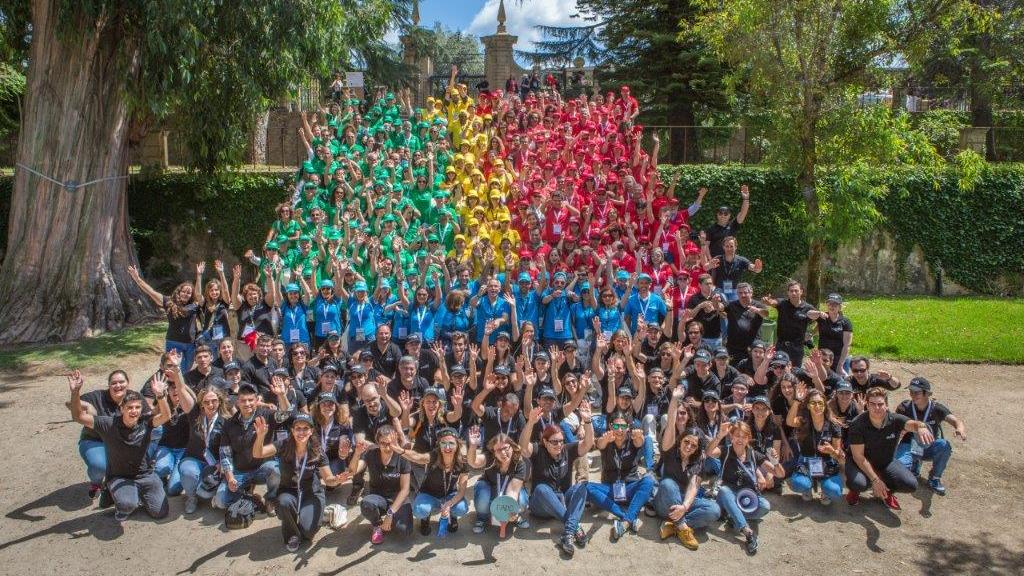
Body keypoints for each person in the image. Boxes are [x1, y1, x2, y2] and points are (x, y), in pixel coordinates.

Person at [67, 369, 173, 522]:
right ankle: (115, 493)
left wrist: (161, 395)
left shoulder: (146, 422)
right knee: (127, 505)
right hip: (120, 476)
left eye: (137, 407)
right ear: (121, 409)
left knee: (160, 512)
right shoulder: (108, 424)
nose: (134, 411)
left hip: (145, 474)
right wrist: (75, 392)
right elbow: (78, 416)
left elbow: (166, 416)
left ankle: (137, 492)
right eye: (129, 407)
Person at [253, 413, 350, 551]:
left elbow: (328, 479)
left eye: (305, 428)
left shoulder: (317, 451)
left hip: (311, 491)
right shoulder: (283, 444)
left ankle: (320, 514)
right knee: (283, 503)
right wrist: (260, 436)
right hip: (289, 491)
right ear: (292, 431)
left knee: (308, 533)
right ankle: (292, 534)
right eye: (298, 428)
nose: (301, 432)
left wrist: (336, 479)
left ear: (311, 431)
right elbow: (258, 453)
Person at [520, 402, 594, 557]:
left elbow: (588, 444)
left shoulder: (567, 450)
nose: (559, 445)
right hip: (541, 505)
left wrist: (587, 421)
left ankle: (567, 534)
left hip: (562, 500)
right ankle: (574, 527)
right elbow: (523, 447)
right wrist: (530, 423)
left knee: (582, 486)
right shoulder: (538, 450)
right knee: (541, 489)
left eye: (561, 441)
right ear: (545, 442)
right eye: (554, 441)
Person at [845, 387, 935, 509]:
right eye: (873, 404)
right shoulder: (858, 424)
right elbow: (858, 457)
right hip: (859, 463)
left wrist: (921, 426)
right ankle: (855, 491)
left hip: (885, 462)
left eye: (880, 404)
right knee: (859, 483)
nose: (877, 408)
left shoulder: (895, 419)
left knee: (910, 484)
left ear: (886, 405)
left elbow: (912, 424)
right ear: (867, 405)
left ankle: (886, 492)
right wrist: (876, 480)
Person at [654, 388, 721, 550]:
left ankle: (673, 524)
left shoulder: (697, 459)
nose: (689, 446)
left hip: (682, 502)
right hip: (665, 501)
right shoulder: (670, 449)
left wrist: (684, 506)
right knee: (668, 484)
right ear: (680, 441)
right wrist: (674, 399)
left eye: (693, 445)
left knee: (714, 509)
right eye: (686, 442)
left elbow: (694, 485)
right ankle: (683, 527)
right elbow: (671, 422)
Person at [706, 421, 784, 555]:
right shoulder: (726, 450)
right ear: (731, 437)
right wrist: (720, 435)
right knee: (724, 491)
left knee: (765, 506)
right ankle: (747, 531)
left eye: (744, 436)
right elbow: (709, 452)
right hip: (727, 496)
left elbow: (780, 474)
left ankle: (733, 515)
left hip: (746, 497)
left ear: (748, 438)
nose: (740, 439)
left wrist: (775, 462)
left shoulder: (753, 454)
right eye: (737, 435)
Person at [215, 383, 286, 513]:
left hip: (262, 468)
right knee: (220, 501)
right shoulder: (229, 424)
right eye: (243, 400)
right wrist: (230, 477)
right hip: (240, 472)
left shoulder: (267, 414)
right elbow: (225, 454)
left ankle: (271, 500)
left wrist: (281, 395)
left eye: (250, 400)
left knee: (275, 469)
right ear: (237, 402)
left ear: (256, 400)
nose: (247, 403)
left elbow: (286, 414)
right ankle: (253, 498)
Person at [587, 410, 655, 542]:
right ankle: (626, 516)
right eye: (616, 426)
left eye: (623, 426)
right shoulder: (607, 440)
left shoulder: (633, 439)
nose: (619, 430)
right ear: (611, 426)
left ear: (628, 427)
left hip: (630, 488)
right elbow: (599, 443)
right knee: (587, 487)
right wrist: (604, 439)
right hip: (611, 489)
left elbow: (640, 442)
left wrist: (639, 436)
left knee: (649, 480)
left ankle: (625, 520)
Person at [894, 377, 967, 495]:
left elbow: (956, 420)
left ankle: (934, 478)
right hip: (908, 445)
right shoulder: (904, 407)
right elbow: (894, 423)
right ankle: (914, 463)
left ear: (927, 393)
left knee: (944, 445)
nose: (913, 394)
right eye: (911, 391)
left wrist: (960, 429)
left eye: (917, 392)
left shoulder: (936, 408)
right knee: (898, 473)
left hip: (929, 446)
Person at [394, 427, 471, 536]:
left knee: (462, 508)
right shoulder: (434, 455)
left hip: (450, 495)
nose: (447, 447)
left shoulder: (462, 462)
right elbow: (417, 457)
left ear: (457, 444)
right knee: (419, 510)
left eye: (451, 443)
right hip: (429, 495)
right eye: (443, 443)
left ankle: (452, 516)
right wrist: (400, 450)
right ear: (439, 445)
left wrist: (450, 504)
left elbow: (462, 490)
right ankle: (425, 518)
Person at [348, 424, 414, 544]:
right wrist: (357, 454)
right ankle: (377, 525)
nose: (387, 447)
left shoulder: (402, 457)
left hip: (397, 497)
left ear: (396, 442)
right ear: (378, 442)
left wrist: (390, 514)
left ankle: (393, 517)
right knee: (367, 504)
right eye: (383, 443)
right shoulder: (371, 453)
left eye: (390, 443)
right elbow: (353, 471)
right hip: (378, 497)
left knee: (404, 531)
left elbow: (405, 490)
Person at [127, 264, 201, 371]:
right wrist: (137, 279)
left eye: (189, 293)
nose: (186, 294)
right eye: (184, 291)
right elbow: (151, 291)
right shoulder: (169, 302)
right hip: (174, 343)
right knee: (174, 370)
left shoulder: (194, 305)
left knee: (186, 370)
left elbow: (199, 294)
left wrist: (199, 275)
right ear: (179, 292)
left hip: (190, 345)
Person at [785, 389, 845, 505]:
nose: (817, 406)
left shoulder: (834, 425)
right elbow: (789, 421)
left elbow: (837, 454)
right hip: (806, 461)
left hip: (827, 463)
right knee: (798, 484)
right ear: (808, 406)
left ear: (825, 405)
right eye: (813, 403)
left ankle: (825, 490)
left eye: (820, 403)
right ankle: (807, 487)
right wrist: (797, 401)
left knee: (835, 491)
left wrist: (832, 451)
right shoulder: (803, 421)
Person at [178, 386, 232, 514]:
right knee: (187, 474)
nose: (210, 404)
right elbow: (181, 390)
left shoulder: (226, 421)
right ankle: (191, 497)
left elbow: (230, 447)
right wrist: (176, 374)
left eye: (214, 401)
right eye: (206, 402)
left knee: (205, 493)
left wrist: (223, 463)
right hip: (194, 458)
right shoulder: (195, 416)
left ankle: (207, 489)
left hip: (215, 463)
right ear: (201, 404)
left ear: (219, 401)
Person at [467, 430, 530, 534]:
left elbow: (514, 490)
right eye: (498, 450)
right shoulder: (489, 458)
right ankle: (482, 518)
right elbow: (473, 462)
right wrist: (473, 446)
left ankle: (514, 516)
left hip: (510, 490)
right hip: (489, 486)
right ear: (494, 452)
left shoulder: (519, 463)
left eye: (506, 448)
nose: (503, 453)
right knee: (483, 495)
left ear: (512, 447)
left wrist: (510, 508)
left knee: (522, 502)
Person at [763, 280, 823, 367]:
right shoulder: (782, 303)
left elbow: (820, 321)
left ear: (801, 292)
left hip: (797, 348)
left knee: (796, 373)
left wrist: (811, 333)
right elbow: (773, 302)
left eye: (796, 291)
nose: (794, 293)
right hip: (781, 346)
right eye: (791, 291)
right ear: (788, 293)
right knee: (778, 370)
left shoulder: (807, 307)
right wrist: (768, 301)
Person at [816, 293, 853, 375]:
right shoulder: (822, 318)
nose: (832, 306)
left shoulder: (845, 322)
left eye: (835, 304)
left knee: (841, 383)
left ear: (840, 307)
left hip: (839, 358)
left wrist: (840, 365)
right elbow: (809, 315)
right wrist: (818, 313)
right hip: (823, 358)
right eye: (830, 304)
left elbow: (847, 345)